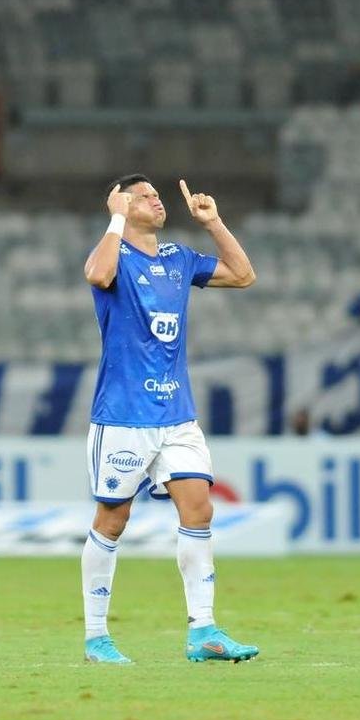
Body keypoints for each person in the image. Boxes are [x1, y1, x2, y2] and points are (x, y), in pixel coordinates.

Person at [79, 173, 259, 664]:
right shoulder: (114, 255)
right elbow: (97, 275)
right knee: (113, 520)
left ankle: (204, 632)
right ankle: (97, 637)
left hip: (177, 413)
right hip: (122, 415)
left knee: (199, 508)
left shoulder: (179, 259)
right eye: (146, 196)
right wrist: (115, 217)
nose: (159, 202)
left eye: (159, 196)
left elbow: (243, 275)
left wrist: (214, 222)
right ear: (120, 204)